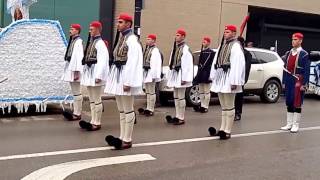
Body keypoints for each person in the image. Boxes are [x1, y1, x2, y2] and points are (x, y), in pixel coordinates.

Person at [105, 13, 143, 150]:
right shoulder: (122, 38)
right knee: (121, 110)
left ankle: (128, 138)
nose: (118, 24)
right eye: (118, 22)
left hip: (126, 77)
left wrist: (128, 82)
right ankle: (122, 136)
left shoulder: (132, 40)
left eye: (121, 22)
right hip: (118, 75)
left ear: (128, 24)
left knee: (127, 109)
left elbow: (133, 63)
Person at [208, 25, 245, 140]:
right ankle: (222, 128)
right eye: (225, 32)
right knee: (223, 106)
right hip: (221, 77)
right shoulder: (222, 45)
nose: (225, 33)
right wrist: (213, 75)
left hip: (229, 77)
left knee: (229, 105)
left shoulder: (236, 46)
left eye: (228, 32)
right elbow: (216, 61)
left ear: (234, 33)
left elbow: (238, 65)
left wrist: (234, 81)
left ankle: (228, 130)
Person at [79, 21, 109, 131]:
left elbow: (103, 61)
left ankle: (97, 122)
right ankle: (93, 120)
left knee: (97, 99)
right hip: (90, 73)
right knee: (92, 99)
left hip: (96, 73)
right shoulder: (92, 42)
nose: (89, 31)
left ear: (97, 29)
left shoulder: (100, 44)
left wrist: (99, 75)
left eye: (91, 29)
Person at [280, 32, 310, 133]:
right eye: (292, 39)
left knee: (297, 102)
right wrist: (284, 81)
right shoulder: (288, 53)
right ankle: (289, 123)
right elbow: (285, 68)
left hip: (298, 80)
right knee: (289, 101)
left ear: (301, 41)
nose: (293, 41)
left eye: (295, 39)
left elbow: (307, 70)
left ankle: (295, 124)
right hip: (289, 80)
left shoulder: (304, 54)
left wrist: (304, 84)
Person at [165, 29, 194, 125]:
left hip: (181, 74)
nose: (176, 37)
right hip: (175, 74)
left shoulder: (185, 49)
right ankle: (177, 115)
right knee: (176, 96)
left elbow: (187, 65)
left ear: (183, 37)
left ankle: (181, 117)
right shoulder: (176, 48)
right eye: (176, 35)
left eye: (178, 35)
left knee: (181, 97)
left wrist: (184, 78)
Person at [61, 24, 84, 121]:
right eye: (70, 28)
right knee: (75, 92)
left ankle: (77, 113)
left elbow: (78, 57)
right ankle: (76, 111)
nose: (70, 30)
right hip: (71, 68)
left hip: (75, 70)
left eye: (72, 29)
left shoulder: (78, 42)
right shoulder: (73, 40)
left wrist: (76, 72)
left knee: (77, 92)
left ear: (77, 31)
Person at [138, 34, 162, 116]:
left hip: (151, 73)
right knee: (148, 92)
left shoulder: (155, 50)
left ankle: (151, 109)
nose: (147, 40)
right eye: (147, 39)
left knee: (151, 92)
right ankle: (148, 107)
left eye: (149, 39)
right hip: (146, 72)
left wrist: (154, 76)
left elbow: (156, 64)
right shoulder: (148, 49)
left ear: (153, 41)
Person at [193, 36, 214, 113]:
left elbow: (211, 65)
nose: (203, 43)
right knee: (201, 90)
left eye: (205, 42)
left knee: (206, 91)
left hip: (206, 72)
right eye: (203, 42)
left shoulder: (211, 52)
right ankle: (202, 105)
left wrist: (210, 75)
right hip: (201, 73)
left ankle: (206, 106)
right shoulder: (202, 52)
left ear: (208, 43)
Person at [234, 36, 252, 121]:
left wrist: (243, 80)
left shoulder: (247, 54)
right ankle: (231, 112)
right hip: (231, 79)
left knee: (239, 97)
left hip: (240, 79)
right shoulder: (233, 52)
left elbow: (246, 68)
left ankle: (238, 113)